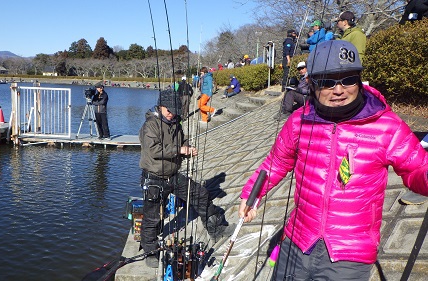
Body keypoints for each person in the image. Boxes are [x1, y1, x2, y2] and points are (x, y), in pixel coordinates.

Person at [238, 40, 428, 280]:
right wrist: (251, 195)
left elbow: (417, 168)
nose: (339, 90)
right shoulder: (299, 120)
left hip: (351, 253)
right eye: (327, 82)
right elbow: (276, 162)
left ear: (359, 80)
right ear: (312, 84)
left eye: (348, 79)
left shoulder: (387, 126)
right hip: (298, 240)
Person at [139, 89, 228, 268]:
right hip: (154, 178)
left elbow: (183, 139)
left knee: (200, 194)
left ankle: (216, 228)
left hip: (172, 175)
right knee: (153, 218)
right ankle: (150, 251)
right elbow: (153, 150)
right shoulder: (150, 125)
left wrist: (187, 147)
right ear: (161, 106)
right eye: (169, 110)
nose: (172, 114)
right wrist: (179, 150)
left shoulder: (175, 121)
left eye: (174, 111)